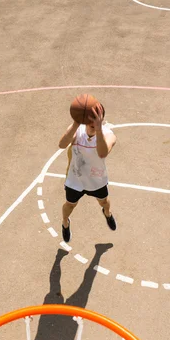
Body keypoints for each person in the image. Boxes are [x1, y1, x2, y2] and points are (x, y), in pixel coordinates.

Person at [58, 103, 117, 243]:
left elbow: (102, 152)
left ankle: (107, 214)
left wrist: (98, 130)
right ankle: (65, 222)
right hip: (75, 179)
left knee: (104, 202)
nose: (92, 122)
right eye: (89, 118)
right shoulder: (77, 131)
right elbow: (61, 145)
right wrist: (75, 123)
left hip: (96, 179)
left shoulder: (109, 135)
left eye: (96, 118)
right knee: (70, 205)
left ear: (101, 119)